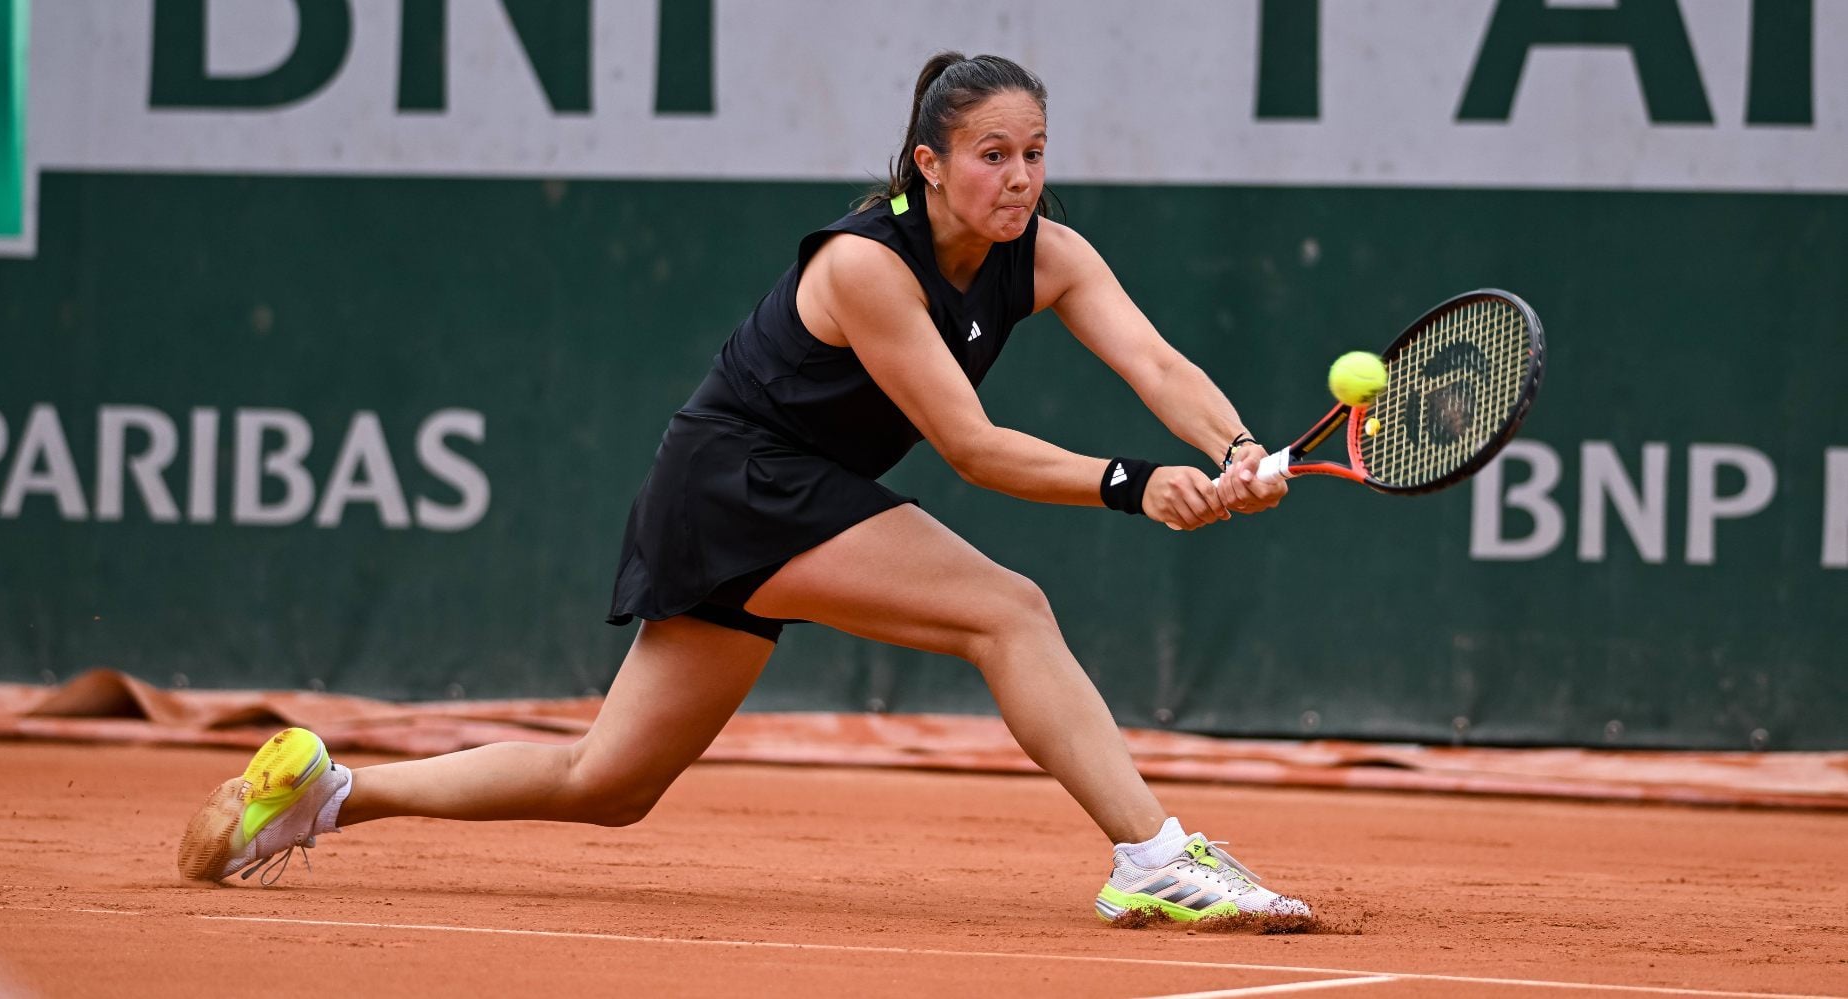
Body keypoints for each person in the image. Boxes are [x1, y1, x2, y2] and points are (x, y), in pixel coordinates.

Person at [176, 51, 1309, 923]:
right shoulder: (864, 264)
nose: (1017, 178)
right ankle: (1153, 860)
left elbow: (1155, 363)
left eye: (1034, 152)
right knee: (1006, 609)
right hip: (740, 483)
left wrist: (1237, 452)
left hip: (764, 492)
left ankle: (328, 794)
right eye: (989, 154)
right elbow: (967, 446)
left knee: (608, 781)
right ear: (928, 163)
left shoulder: (1046, 251)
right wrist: (1131, 484)